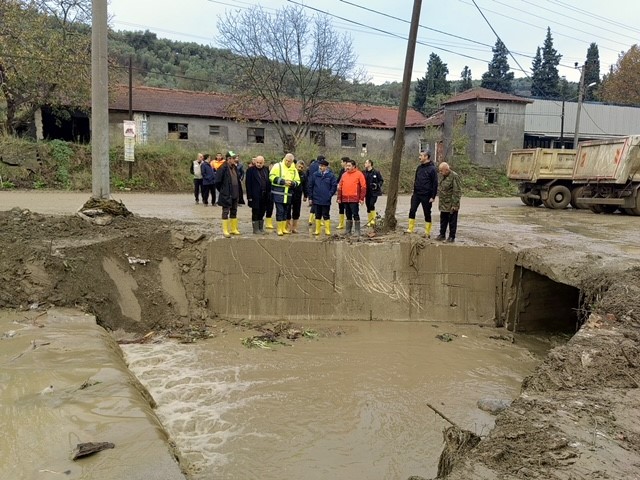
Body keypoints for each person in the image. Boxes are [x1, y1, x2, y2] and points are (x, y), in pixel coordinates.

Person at [406, 150, 438, 237]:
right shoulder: (419, 168)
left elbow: (435, 183)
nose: (419, 157)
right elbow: (416, 179)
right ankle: (410, 228)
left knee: (427, 213)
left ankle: (427, 232)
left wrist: (433, 196)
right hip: (417, 194)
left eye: (421, 155)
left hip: (427, 195)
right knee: (412, 210)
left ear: (426, 157)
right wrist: (414, 190)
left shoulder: (432, 169)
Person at [269, 153, 300, 236]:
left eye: (289, 161)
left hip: (288, 194)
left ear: (292, 161)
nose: (287, 162)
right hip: (278, 193)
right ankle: (279, 229)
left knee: (285, 212)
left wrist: (292, 183)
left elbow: (298, 181)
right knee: (280, 211)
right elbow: (271, 177)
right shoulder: (277, 166)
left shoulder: (294, 169)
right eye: (286, 160)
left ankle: (283, 228)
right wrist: (283, 182)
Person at [215, 151, 244, 238]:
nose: (235, 160)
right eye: (234, 158)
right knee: (225, 211)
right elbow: (217, 182)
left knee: (234, 210)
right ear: (229, 159)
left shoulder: (234, 167)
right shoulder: (222, 168)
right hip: (226, 194)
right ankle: (225, 230)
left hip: (235, 193)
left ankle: (233, 229)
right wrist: (223, 191)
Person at [337, 158, 366, 236]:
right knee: (348, 214)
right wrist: (339, 198)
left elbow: (363, 187)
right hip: (345, 198)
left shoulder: (359, 174)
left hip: (354, 198)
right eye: (347, 165)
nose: (347, 167)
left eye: (349, 166)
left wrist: (361, 198)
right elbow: (340, 187)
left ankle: (357, 231)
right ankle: (348, 230)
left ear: (354, 166)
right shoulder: (344, 174)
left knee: (355, 214)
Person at [308, 158, 337, 236]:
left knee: (326, 214)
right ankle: (317, 230)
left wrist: (330, 194)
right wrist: (310, 197)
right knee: (317, 214)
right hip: (316, 198)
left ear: (326, 167)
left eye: (323, 166)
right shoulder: (315, 175)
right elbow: (310, 186)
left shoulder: (330, 175)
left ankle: (327, 230)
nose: (321, 167)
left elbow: (334, 186)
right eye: (320, 166)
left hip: (326, 199)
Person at [436, 162, 462, 243]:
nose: (440, 172)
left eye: (441, 170)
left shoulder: (454, 176)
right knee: (443, 220)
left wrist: (455, 204)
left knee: (452, 221)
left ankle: (451, 236)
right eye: (439, 171)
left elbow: (457, 191)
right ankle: (442, 234)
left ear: (446, 170)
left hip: (451, 204)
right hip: (443, 203)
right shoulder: (442, 176)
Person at [245, 155, 271, 234]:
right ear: (255, 162)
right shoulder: (250, 170)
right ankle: (255, 229)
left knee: (262, 211)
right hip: (255, 195)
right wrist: (249, 196)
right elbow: (248, 184)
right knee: (255, 212)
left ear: (263, 162)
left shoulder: (266, 169)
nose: (258, 164)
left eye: (260, 163)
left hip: (264, 195)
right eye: (257, 162)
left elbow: (268, 182)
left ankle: (261, 228)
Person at [363, 159, 384, 227]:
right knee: (368, 206)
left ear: (370, 164)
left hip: (374, 192)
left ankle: (374, 220)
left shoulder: (376, 172)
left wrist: (377, 185)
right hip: (367, 192)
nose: (365, 164)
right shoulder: (364, 172)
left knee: (372, 204)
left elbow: (381, 180)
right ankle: (370, 220)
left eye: (366, 163)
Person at [288, 160, 307, 233]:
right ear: (296, 165)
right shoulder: (291, 172)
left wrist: (305, 195)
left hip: (298, 195)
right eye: (299, 166)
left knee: (296, 211)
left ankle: (294, 227)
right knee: (288, 211)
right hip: (289, 194)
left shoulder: (303, 175)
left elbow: (305, 185)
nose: (300, 168)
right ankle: (288, 227)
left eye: (301, 167)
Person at [306, 155, 323, 225]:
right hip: (318, 185)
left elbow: (307, 175)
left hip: (310, 185)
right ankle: (318, 219)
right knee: (319, 204)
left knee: (314, 203)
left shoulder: (311, 165)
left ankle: (311, 219)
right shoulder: (320, 166)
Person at [336, 157, 349, 229]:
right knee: (340, 207)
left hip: (347, 192)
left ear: (345, 162)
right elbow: (338, 180)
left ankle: (348, 222)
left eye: (341, 162)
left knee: (347, 208)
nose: (341, 163)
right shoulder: (341, 170)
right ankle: (341, 223)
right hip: (340, 192)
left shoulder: (348, 171)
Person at [264, 161, 276, 230]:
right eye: (272, 166)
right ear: (270, 165)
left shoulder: (275, 173)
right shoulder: (265, 171)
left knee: (270, 208)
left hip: (271, 193)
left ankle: (268, 222)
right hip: (264, 192)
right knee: (262, 209)